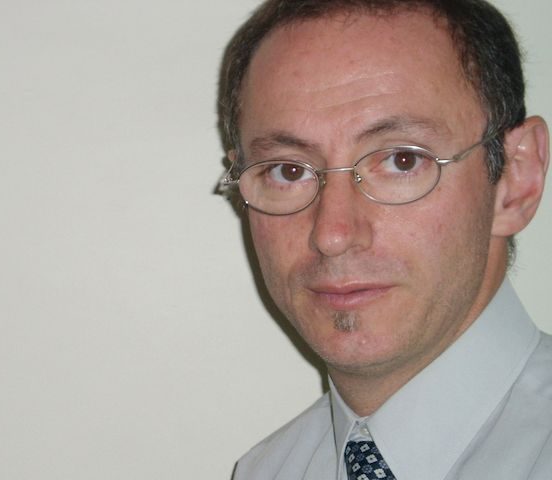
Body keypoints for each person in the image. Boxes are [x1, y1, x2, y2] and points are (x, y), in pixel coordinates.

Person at [216, 0, 552, 478]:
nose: (332, 235)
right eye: (288, 171)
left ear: (516, 179)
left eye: (401, 160)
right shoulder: (266, 470)